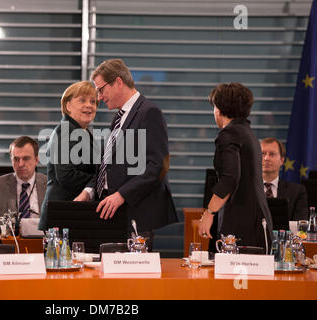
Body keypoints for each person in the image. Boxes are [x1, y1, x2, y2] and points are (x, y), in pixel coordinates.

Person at [87, 59, 178, 249]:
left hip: (136, 215)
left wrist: (121, 194)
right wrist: (91, 191)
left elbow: (158, 166)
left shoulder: (149, 112)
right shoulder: (119, 117)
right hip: (116, 215)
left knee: (133, 277)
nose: (100, 97)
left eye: (101, 89)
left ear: (118, 82)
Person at [198, 83, 273, 252]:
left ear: (219, 109)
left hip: (243, 224)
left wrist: (209, 213)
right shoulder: (246, 131)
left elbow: (229, 179)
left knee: (237, 277)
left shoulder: (229, 134)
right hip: (256, 220)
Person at [38, 81, 98, 230]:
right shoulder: (66, 131)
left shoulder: (82, 132)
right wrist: (97, 180)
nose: (89, 105)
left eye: (93, 101)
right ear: (68, 105)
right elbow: (65, 174)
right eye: (82, 100)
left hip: (71, 213)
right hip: (62, 215)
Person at [0, 136, 47, 217]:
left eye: (26, 158)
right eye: (16, 159)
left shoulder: (49, 185)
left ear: (36, 160)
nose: (20, 164)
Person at [261, 137, 308, 220]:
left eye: (272, 154)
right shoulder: (247, 190)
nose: (266, 158)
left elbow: (301, 225)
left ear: (282, 160)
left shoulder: (297, 191)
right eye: (262, 154)